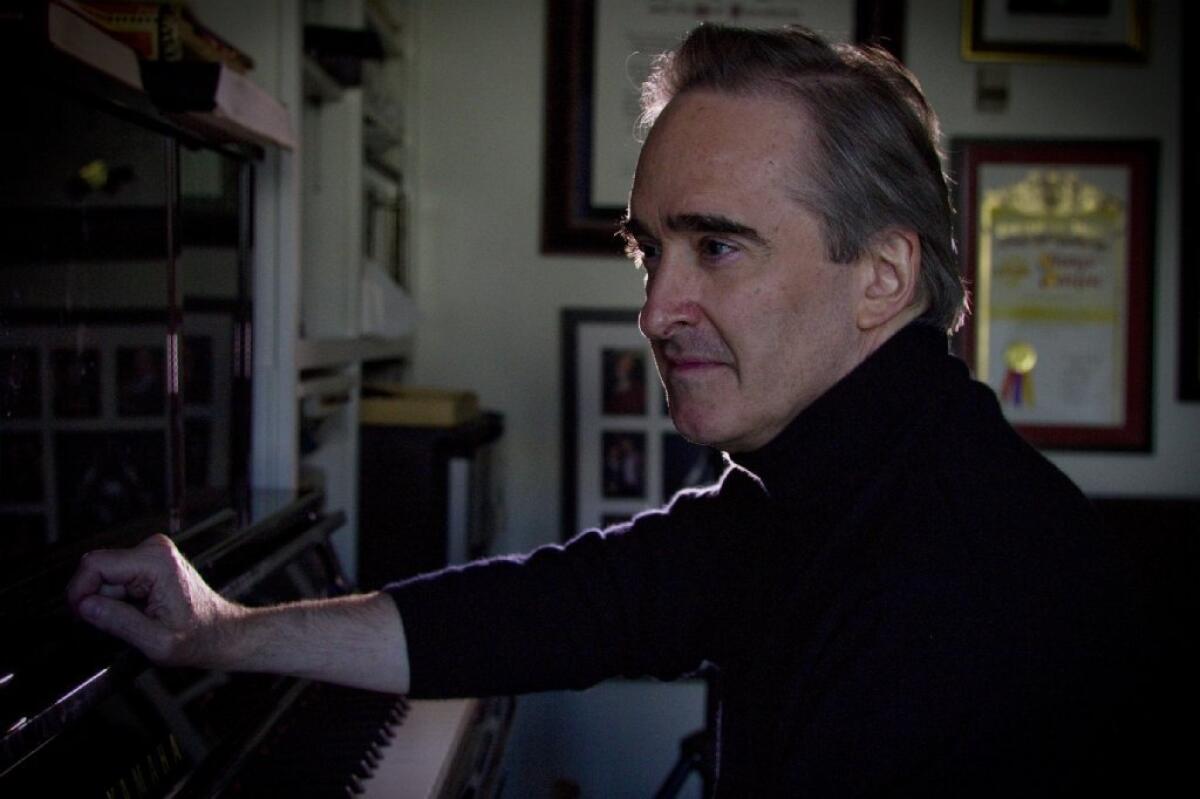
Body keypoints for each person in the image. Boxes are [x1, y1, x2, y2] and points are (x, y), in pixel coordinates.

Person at [68, 24, 1149, 796]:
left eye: (717, 244)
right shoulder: (827, 478)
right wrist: (221, 634)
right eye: (649, 249)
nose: (657, 307)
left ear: (881, 276)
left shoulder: (951, 581)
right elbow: (570, 602)